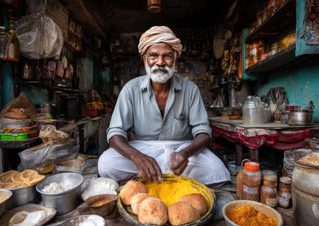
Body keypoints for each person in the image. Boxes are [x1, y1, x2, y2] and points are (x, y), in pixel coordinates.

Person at [98, 26, 230, 186]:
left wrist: (185, 153)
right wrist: (137, 157)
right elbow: (114, 134)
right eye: (153, 55)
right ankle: (167, 178)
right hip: (142, 148)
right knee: (106, 164)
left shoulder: (190, 89)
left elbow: (203, 132)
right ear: (144, 58)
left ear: (175, 59)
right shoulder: (130, 89)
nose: (160, 62)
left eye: (167, 56)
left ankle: (148, 180)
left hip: (181, 149)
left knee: (216, 169)